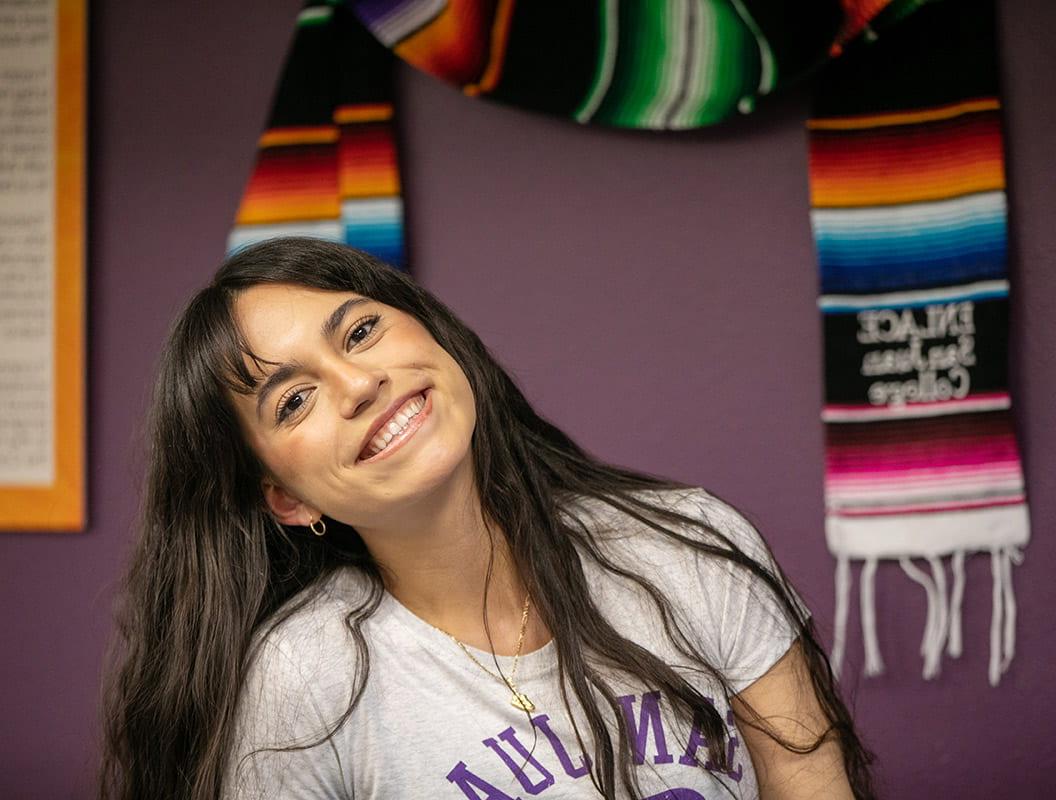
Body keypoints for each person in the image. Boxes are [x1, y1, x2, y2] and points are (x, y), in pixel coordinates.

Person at [99, 237, 874, 799]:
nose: (360, 383)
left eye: (361, 331)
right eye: (294, 400)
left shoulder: (685, 544)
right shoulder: (302, 680)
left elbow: (808, 771)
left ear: (434, 337)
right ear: (288, 499)